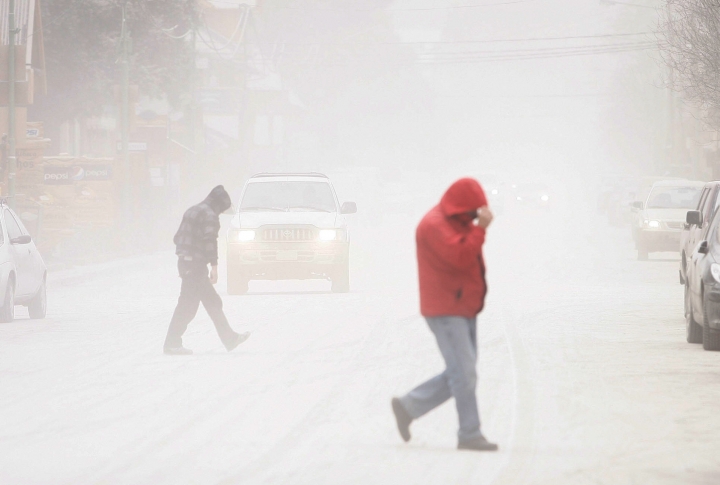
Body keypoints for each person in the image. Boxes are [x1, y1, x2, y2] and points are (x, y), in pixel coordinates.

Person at [391, 177, 497, 451]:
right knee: (464, 373)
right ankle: (469, 433)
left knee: (462, 372)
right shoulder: (435, 225)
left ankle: (408, 406)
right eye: (473, 212)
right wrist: (481, 230)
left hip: (462, 307)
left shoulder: (456, 221)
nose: (475, 218)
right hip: (446, 309)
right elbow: (460, 256)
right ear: (462, 208)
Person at [164, 185, 250, 355]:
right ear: (218, 205)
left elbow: (177, 238)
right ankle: (172, 344)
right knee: (195, 305)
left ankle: (229, 338)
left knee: (202, 303)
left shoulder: (191, 211)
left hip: (184, 263)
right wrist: (214, 266)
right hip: (196, 266)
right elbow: (210, 241)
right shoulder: (210, 216)